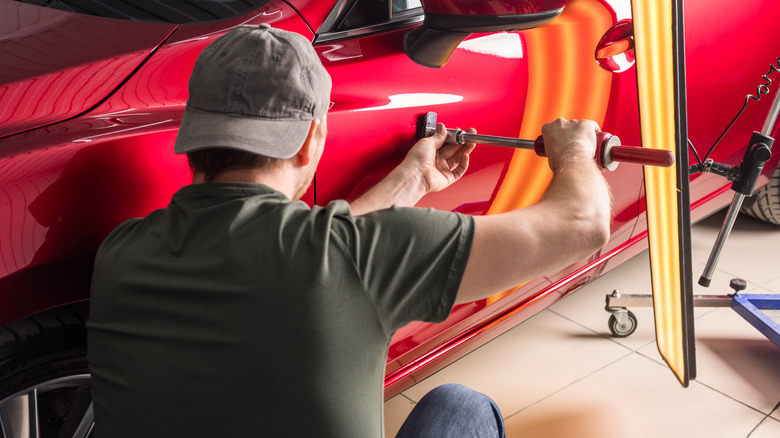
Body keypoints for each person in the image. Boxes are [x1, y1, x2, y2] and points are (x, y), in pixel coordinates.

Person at [87, 24, 611, 437]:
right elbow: (582, 225)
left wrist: (411, 181)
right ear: (311, 140)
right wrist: (575, 153)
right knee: (463, 409)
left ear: (194, 131)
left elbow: (309, 258)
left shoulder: (121, 254)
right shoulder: (357, 256)